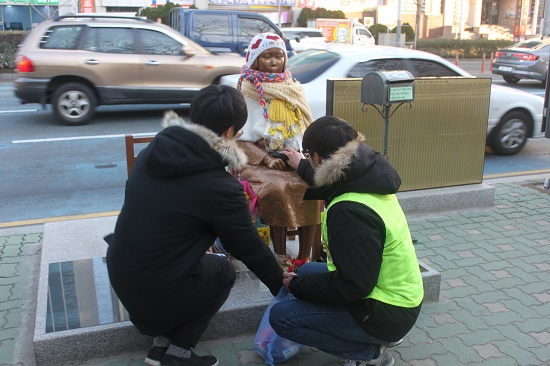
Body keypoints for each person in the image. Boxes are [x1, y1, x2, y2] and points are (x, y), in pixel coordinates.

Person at [106, 85, 283, 366]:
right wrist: (281, 286)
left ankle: (160, 346)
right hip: (153, 297)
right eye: (238, 132)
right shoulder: (220, 188)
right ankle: (179, 353)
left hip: (121, 277)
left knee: (190, 255)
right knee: (223, 269)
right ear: (228, 132)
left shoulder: (161, 145)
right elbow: (247, 247)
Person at [270, 116, 424, 366]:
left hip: (388, 310)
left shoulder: (349, 212)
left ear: (319, 158)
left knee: (282, 317)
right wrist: (301, 165)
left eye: (307, 155)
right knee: (308, 269)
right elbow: (330, 182)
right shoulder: (367, 177)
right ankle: (375, 337)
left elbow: (353, 287)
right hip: (397, 293)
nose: (307, 159)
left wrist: (298, 287)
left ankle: (371, 354)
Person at [236, 32, 322, 261]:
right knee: (277, 188)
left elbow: (303, 126)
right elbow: (239, 139)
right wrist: (266, 159)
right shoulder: (247, 91)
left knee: (312, 186)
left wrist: (300, 156)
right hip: (256, 160)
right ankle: (280, 256)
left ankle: (304, 258)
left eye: (278, 56)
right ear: (255, 59)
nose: (274, 62)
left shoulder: (292, 87)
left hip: (292, 154)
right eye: (267, 56)